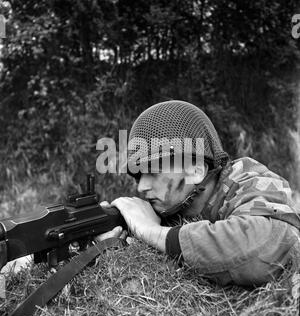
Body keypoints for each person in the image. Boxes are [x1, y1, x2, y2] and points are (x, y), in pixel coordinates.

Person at [97, 100, 300, 286]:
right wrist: (111, 234)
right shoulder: (170, 204)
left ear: (195, 170)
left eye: (153, 172)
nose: (142, 187)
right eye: (139, 175)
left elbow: (266, 245)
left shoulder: (250, 181)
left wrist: (150, 231)